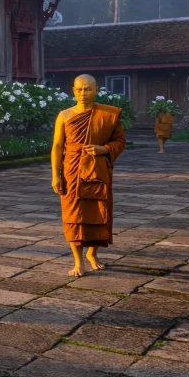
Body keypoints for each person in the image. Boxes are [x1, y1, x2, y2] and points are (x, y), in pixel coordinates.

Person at [51, 74, 126, 276]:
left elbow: (120, 142)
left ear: (96, 90)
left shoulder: (108, 114)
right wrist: (55, 175)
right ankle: (78, 261)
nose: (83, 93)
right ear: (73, 90)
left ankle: (93, 253)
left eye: (87, 89)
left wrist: (104, 149)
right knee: (73, 216)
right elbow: (57, 146)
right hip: (72, 170)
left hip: (97, 170)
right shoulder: (64, 115)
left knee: (99, 213)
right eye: (79, 89)